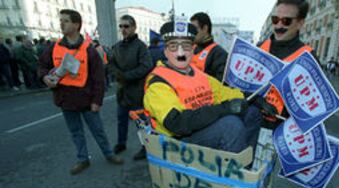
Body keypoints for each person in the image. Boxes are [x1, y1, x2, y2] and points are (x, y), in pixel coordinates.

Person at [143, 20, 262, 153]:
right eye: (173, 47)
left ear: (193, 50)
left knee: (252, 112)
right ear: (165, 51)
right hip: (177, 142)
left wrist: (254, 99)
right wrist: (224, 109)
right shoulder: (158, 83)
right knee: (231, 125)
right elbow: (177, 123)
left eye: (186, 46)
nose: (180, 52)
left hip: (201, 130)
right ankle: (234, 171)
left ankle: (246, 163)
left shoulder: (200, 75)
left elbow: (225, 93)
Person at [38, 9, 123, 175]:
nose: (61, 23)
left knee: (98, 131)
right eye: (60, 20)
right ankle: (83, 159)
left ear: (76, 25)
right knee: (75, 132)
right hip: (65, 99)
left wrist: (97, 101)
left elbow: (99, 78)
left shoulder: (89, 50)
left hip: (86, 100)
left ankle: (109, 154)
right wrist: (44, 78)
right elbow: (42, 66)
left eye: (66, 21)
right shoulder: (53, 47)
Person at [258, 0, 315, 129]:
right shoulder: (260, 47)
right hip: (252, 122)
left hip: (283, 129)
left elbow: (310, 107)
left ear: (300, 23)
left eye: (286, 21)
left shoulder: (309, 57)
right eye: (275, 19)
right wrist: (258, 102)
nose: (278, 25)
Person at [109, 15, 153, 160]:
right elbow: (111, 64)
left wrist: (127, 76)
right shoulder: (117, 46)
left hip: (137, 91)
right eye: (121, 26)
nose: (123, 29)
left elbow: (146, 66)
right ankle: (121, 143)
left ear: (134, 27)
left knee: (140, 122)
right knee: (121, 119)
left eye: (126, 26)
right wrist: (117, 74)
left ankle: (146, 147)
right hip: (122, 92)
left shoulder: (141, 46)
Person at [190, 12, 228, 81]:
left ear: (205, 28)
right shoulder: (189, 48)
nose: (192, 32)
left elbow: (221, 84)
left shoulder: (219, 54)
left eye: (194, 29)